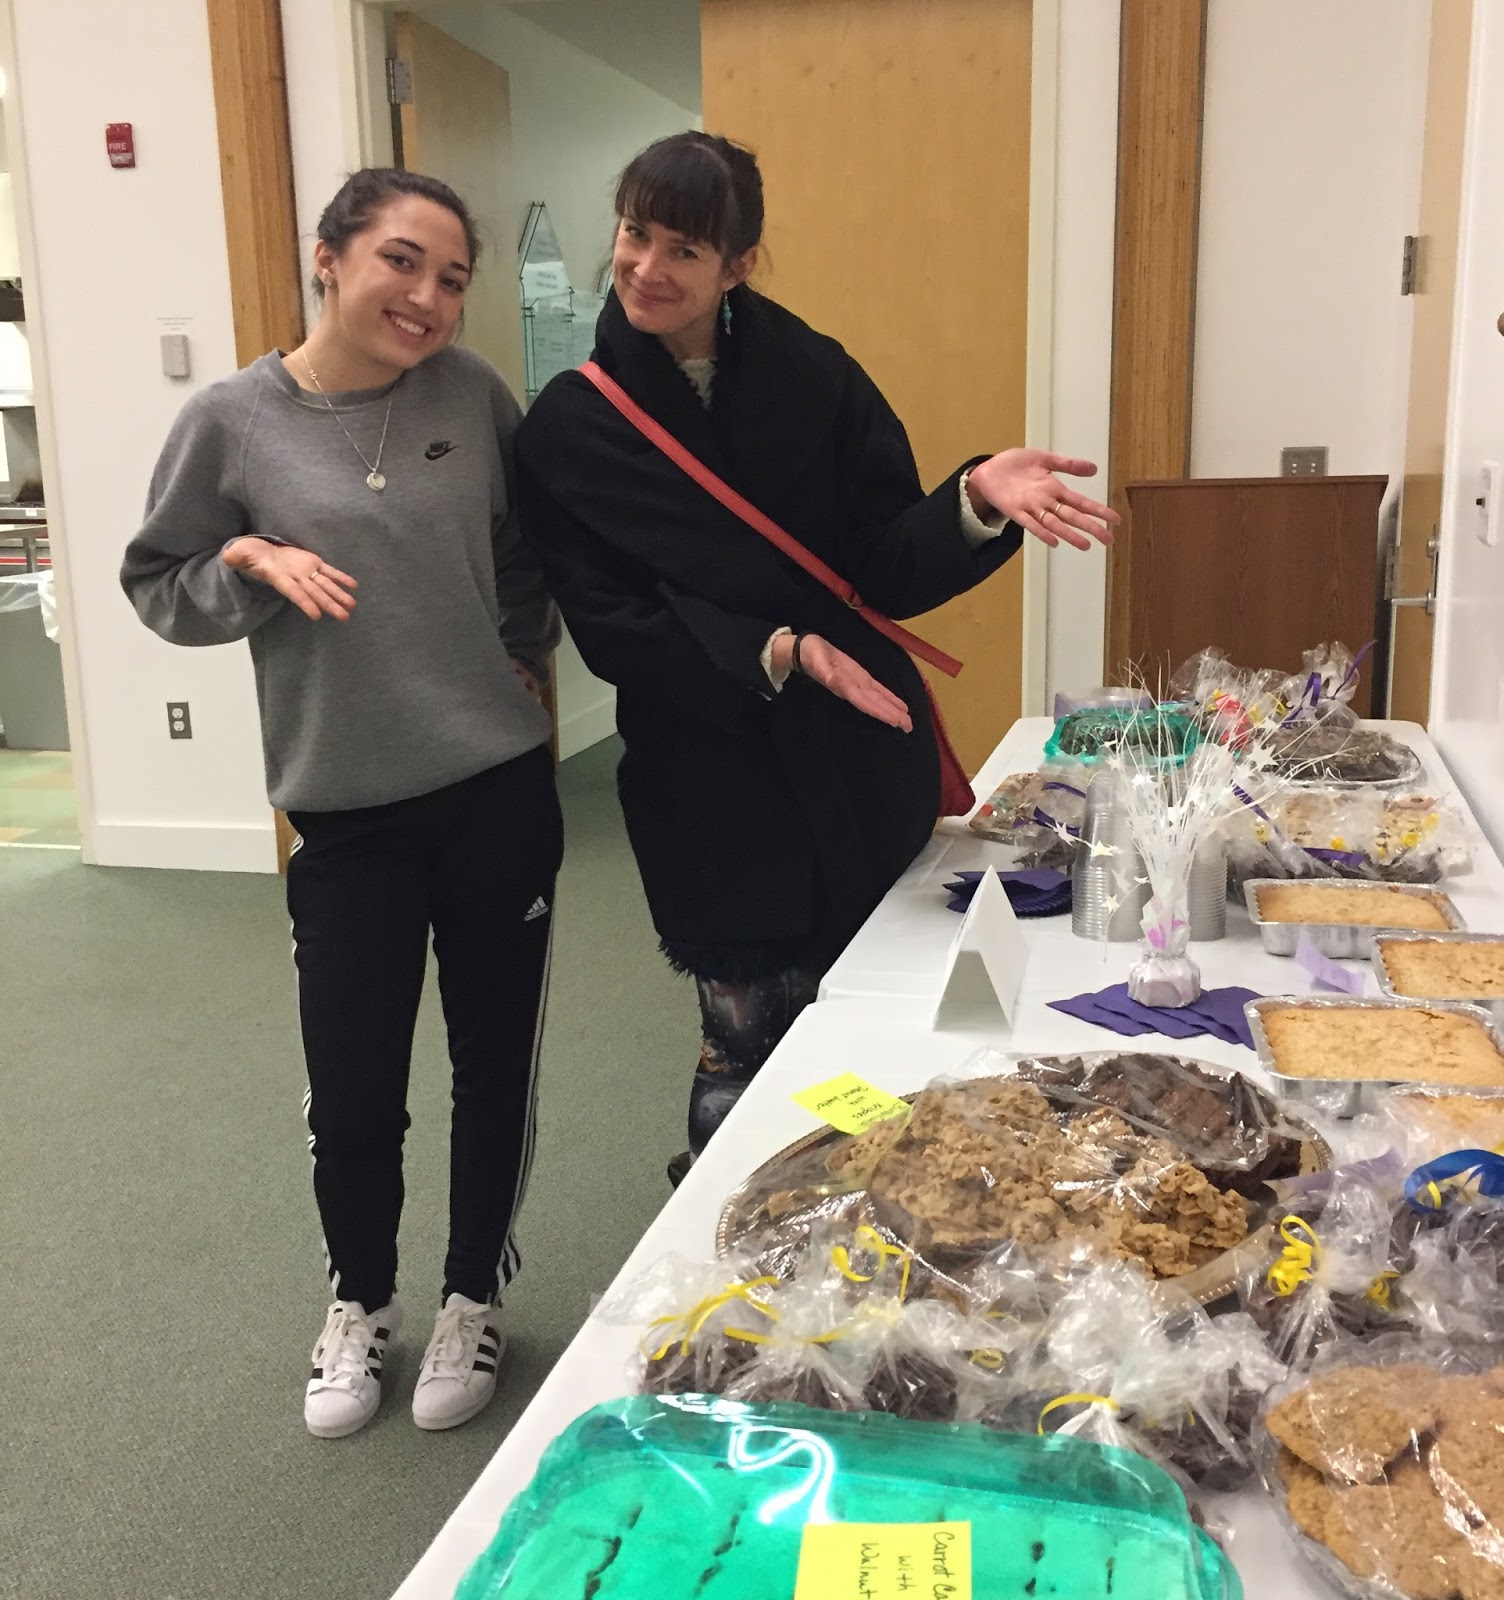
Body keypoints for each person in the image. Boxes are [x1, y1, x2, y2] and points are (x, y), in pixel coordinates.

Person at [516, 133, 1114, 1179]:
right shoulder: (571, 428)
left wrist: (972, 501)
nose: (648, 268)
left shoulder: (815, 375)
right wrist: (775, 649)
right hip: (707, 773)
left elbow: (883, 563)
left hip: (853, 757)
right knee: (741, 1050)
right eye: (633, 234)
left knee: (879, 1025)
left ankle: (884, 1241)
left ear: (737, 264)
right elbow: (611, 625)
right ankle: (737, 1240)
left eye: (684, 249)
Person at [121, 169, 563, 1439]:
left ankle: (473, 1295)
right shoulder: (234, 421)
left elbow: (526, 548)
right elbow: (157, 580)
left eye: (452, 278)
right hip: (343, 808)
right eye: (400, 262)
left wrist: (520, 655)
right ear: (328, 258)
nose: (427, 297)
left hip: (493, 792)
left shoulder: (473, 398)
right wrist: (242, 562)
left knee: (495, 1068)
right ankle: (359, 1304)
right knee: (356, 1086)